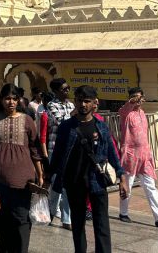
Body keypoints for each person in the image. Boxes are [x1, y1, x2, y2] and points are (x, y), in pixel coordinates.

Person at [49, 85, 128, 253]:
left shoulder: (101, 127)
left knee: (102, 223)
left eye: (87, 101)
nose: (83, 104)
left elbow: (112, 153)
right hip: (74, 181)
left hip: (97, 181)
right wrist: (48, 177)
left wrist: (122, 177)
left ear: (94, 103)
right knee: (78, 224)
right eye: (79, 100)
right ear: (75, 101)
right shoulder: (66, 127)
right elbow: (57, 155)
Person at [0, 83, 43, 253]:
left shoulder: (27, 120)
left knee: (21, 219)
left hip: (23, 180)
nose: (11, 102)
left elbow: (35, 149)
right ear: (1, 100)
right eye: (7, 98)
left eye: (14, 98)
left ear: (19, 100)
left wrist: (40, 175)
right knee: (2, 220)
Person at [118, 87, 158, 227]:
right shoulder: (125, 112)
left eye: (139, 97)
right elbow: (125, 108)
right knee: (128, 185)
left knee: (151, 186)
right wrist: (131, 102)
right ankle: (123, 213)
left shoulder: (143, 113)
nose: (138, 100)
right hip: (130, 155)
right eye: (134, 97)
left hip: (145, 155)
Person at [44, 78, 75, 230]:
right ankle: (51, 211)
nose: (67, 91)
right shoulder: (52, 105)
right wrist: (74, 114)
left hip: (70, 149)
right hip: (55, 149)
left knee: (67, 185)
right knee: (55, 183)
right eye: (64, 89)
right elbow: (61, 122)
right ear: (56, 91)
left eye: (68, 88)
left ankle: (67, 219)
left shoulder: (71, 105)